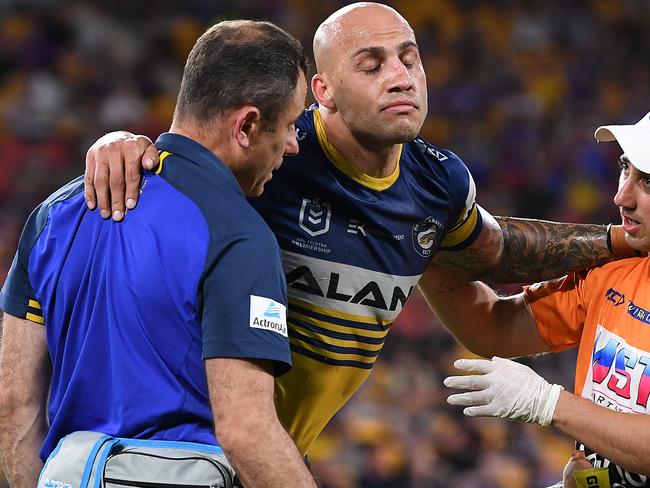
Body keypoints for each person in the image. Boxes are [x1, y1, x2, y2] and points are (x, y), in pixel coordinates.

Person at [82, 2, 635, 457]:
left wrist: (620, 240)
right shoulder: (275, 151)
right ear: (321, 91)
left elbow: (497, 256)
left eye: (410, 59)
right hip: (177, 451)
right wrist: (124, 143)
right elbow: (188, 153)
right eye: (371, 66)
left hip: (273, 460)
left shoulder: (437, 186)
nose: (400, 77)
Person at [0, 19, 317, 488]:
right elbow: (247, 430)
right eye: (291, 124)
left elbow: (12, 401)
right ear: (247, 124)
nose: (292, 144)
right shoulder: (237, 234)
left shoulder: (54, 214)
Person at [438, 112, 650, 486]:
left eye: (647, 182)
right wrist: (420, 242)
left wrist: (549, 402)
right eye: (624, 169)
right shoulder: (616, 270)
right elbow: (492, 326)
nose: (622, 196)